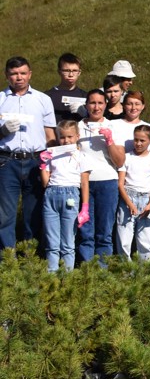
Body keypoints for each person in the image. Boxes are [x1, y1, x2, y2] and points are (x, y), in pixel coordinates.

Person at [0, 56, 56, 252]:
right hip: (7, 161)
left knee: (33, 213)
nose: (19, 77)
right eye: (14, 74)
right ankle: (7, 258)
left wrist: (50, 163)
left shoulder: (43, 99)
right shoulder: (0, 99)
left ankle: (31, 256)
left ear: (30, 74)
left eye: (23, 73)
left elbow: (50, 135)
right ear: (7, 75)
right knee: (5, 214)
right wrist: (3, 131)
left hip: (35, 162)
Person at [77, 89, 125, 263]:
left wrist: (110, 141)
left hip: (107, 182)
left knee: (104, 232)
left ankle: (102, 272)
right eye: (92, 103)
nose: (96, 107)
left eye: (100, 103)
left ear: (105, 105)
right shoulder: (78, 127)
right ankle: (87, 271)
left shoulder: (114, 126)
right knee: (85, 231)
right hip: (84, 185)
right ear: (86, 105)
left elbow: (119, 161)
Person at [40, 120, 91, 271]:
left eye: (70, 137)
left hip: (70, 195)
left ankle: (67, 278)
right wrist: (43, 164)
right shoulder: (52, 154)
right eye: (62, 137)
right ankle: (52, 278)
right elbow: (45, 183)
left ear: (77, 136)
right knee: (52, 242)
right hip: (51, 194)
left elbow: (84, 183)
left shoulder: (82, 156)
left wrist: (85, 208)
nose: (66, 140)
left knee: (68, 242)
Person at [116, 124, 150, 261]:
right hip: (128, 198)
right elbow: (120, 183)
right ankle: (125, 271)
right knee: (124, 238)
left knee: (145, 240)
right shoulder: (127, 157)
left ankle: (145, 271)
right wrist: (129, 203)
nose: (138, 143)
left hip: (146, 200)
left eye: (142, 141)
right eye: (136, 140)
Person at [45, 53, 87, 123]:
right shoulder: (48, 96)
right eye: (66, 71)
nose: (71, 75)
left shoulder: (86, 96)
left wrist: (86, 114)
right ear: (59, 72)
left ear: (79, 73)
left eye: (74, 71)